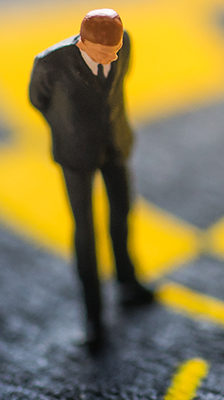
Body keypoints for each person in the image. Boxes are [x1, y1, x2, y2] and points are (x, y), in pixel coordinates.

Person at [28, 8, 154, 352]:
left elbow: (118, 85)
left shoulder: (124, 43)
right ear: (82, 42)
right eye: (103, 52)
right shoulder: (50, 64)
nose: (111, 56)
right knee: (85, 233)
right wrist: (70, 131)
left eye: (113, 50)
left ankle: (128, 283)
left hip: (115, 145)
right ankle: (93, 317)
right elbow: (38, 101)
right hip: (76, 156)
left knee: (123, 213)